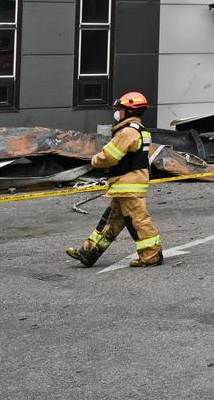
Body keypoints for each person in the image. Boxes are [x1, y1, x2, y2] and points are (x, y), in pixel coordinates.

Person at [66, 92, 162, 268]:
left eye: (121, 108)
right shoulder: (140, 130)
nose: (118, 112)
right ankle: (89, 252)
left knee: (138, 220)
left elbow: (110, 156)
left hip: (128, 184)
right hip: (127, 184)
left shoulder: (128, 131)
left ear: (130, 111)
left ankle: (152, 255)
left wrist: (95, 160)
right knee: (111, 221)